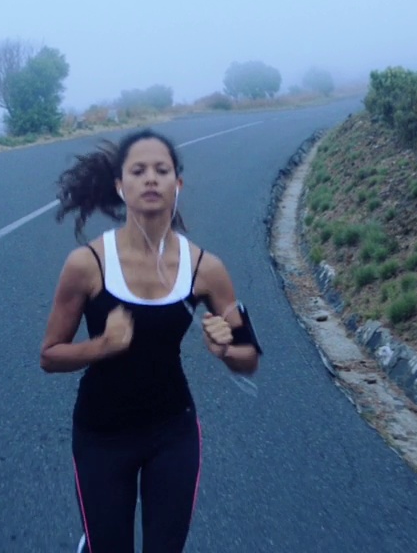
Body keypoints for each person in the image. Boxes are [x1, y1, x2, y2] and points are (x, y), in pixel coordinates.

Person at [39, 128, 263, 553]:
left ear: (177, 185)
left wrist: (226, 350)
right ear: (120, 186)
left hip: (172, 429)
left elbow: (249, 357)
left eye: (162, 170)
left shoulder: (205, 268)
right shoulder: (86, 265)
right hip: (101, 432)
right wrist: (102, 346)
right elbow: (50, 355)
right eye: (138, 171)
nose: (150, 179)